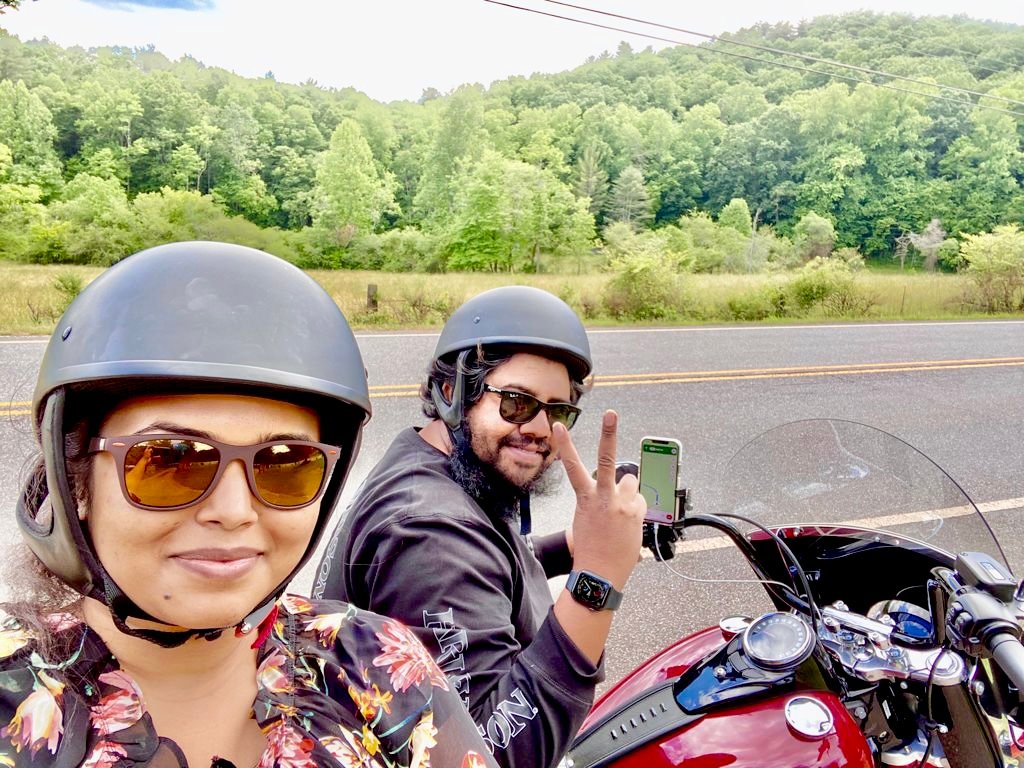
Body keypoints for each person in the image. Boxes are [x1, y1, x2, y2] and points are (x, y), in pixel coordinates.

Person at [0, 241, 495, 768]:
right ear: (76, 484)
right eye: (171, 459)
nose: (234, 510)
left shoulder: (378, 667)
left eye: (286, 463)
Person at [313, 286, 647, 768]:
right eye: (515, 402)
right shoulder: (432, 536)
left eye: (557, 411)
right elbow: (492, 754)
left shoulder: (428, 462)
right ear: (453, 392)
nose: (539, 428)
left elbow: (479, 563)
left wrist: (571, 547)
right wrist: (598, 578)